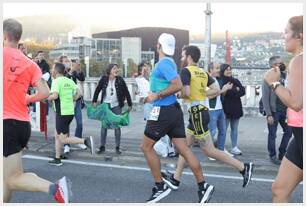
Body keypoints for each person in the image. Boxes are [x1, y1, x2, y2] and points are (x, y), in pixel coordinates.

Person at [162, 46, 254, 192]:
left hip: (197, 114)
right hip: (200, 113)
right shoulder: (202, 72)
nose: (181, 58)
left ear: (189, 57)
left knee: (209, 150)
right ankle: (175, 179)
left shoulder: (186, 71)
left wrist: (179, 95)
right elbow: (216, 90)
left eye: (183, 55)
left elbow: (185, 92)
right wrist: (200, 95)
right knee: (184, 147)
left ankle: (243, 167)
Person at [141, 34, 215, 203]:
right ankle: (203, 186)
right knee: (184, 149)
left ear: (158, 46)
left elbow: (177, 84)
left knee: (146, 147)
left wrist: (156, 96)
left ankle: (159, 187)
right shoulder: (171, 63)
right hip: (174, 111)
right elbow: (168, 83)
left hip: (163, 111)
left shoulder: (163, 64)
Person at [3, 18, 70, 203]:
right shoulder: (30, 64)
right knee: (7, 179)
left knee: (12, 179)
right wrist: (27, 98)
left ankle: (55, 188)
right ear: (18, 37)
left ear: (5, 35)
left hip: (5, 124)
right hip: (21, 125)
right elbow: (45, 92)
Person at [264, 15, 303, 203]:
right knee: (279, 190)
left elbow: (296, 103)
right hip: (299, 138)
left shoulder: (299, 61)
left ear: (300, 36)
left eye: (286, 31)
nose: (283, 35)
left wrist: (273, 83)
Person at [47, 62, 95, 166]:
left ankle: (85, 141)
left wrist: (44, 97)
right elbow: (80, 93)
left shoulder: (56, 81)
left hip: (62, 113)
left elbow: (54, 96)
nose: (51, 70)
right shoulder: (69, 80)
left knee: (63, 139)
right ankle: (57, 158)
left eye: (52, 68)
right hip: (70, 111)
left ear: (56, 71)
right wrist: (72, 99)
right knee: (57, 135)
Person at [92, 63, 132, 155]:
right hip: (106, 105)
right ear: (109, 70)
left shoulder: (120, 80)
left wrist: (130, 104)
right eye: (114, 69)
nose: (116, 70)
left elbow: (126, 92)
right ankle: (102, 146)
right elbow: (97, 90)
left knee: (117, 126)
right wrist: (94, 101)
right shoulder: (104, 79)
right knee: (104, 126)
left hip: (116, 105)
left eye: (117, 69)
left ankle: (117, 147)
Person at [262, 56, 292, 165]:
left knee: (289, 132)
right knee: (272, 134)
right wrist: (269, 114)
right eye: (280, 63)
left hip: (286, 110)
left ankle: (282, 152)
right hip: (274, 112)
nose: (282, 64)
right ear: (273, 66)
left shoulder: (285, 76)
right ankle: (272, 155)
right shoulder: (268, 77)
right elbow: (265, 97)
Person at [58, 56, 86, 154]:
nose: (68, 63)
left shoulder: (73, 71)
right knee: (67, 125)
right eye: (66, 61)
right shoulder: (61, 73)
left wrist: (79, 68)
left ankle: (78, 140)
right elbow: (64, 80)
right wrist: (71, 71)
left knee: (80, 122)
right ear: (61, 63)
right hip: (67, 102)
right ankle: (66, 145)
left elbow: (82, 78)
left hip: (76, 100)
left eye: (69, 61)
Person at [207, 62, 234, 155]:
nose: (219, 70)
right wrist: (223, 90)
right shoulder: (207, 80)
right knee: (212, 132)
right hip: (212, 110)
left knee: (223, 130)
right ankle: (210, 152)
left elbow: (219, 94)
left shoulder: (217, 80)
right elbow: (208, 96)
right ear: (211, 70)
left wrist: (225, 89)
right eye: (217, 68)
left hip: (220, 109)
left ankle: (221, 151)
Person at [219, 63, 245, 155]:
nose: (229, 71)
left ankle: (234, 147)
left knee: (235, 129)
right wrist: (236, 90)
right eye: (227, 70)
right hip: (225, 108)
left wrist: (233, 91)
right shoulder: (221, 81)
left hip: (236, 108)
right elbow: (224, 94)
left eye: (230, 69)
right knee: (223, 129)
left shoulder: (235, 80)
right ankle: (222, 147)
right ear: (222, 71)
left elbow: (243, 91)